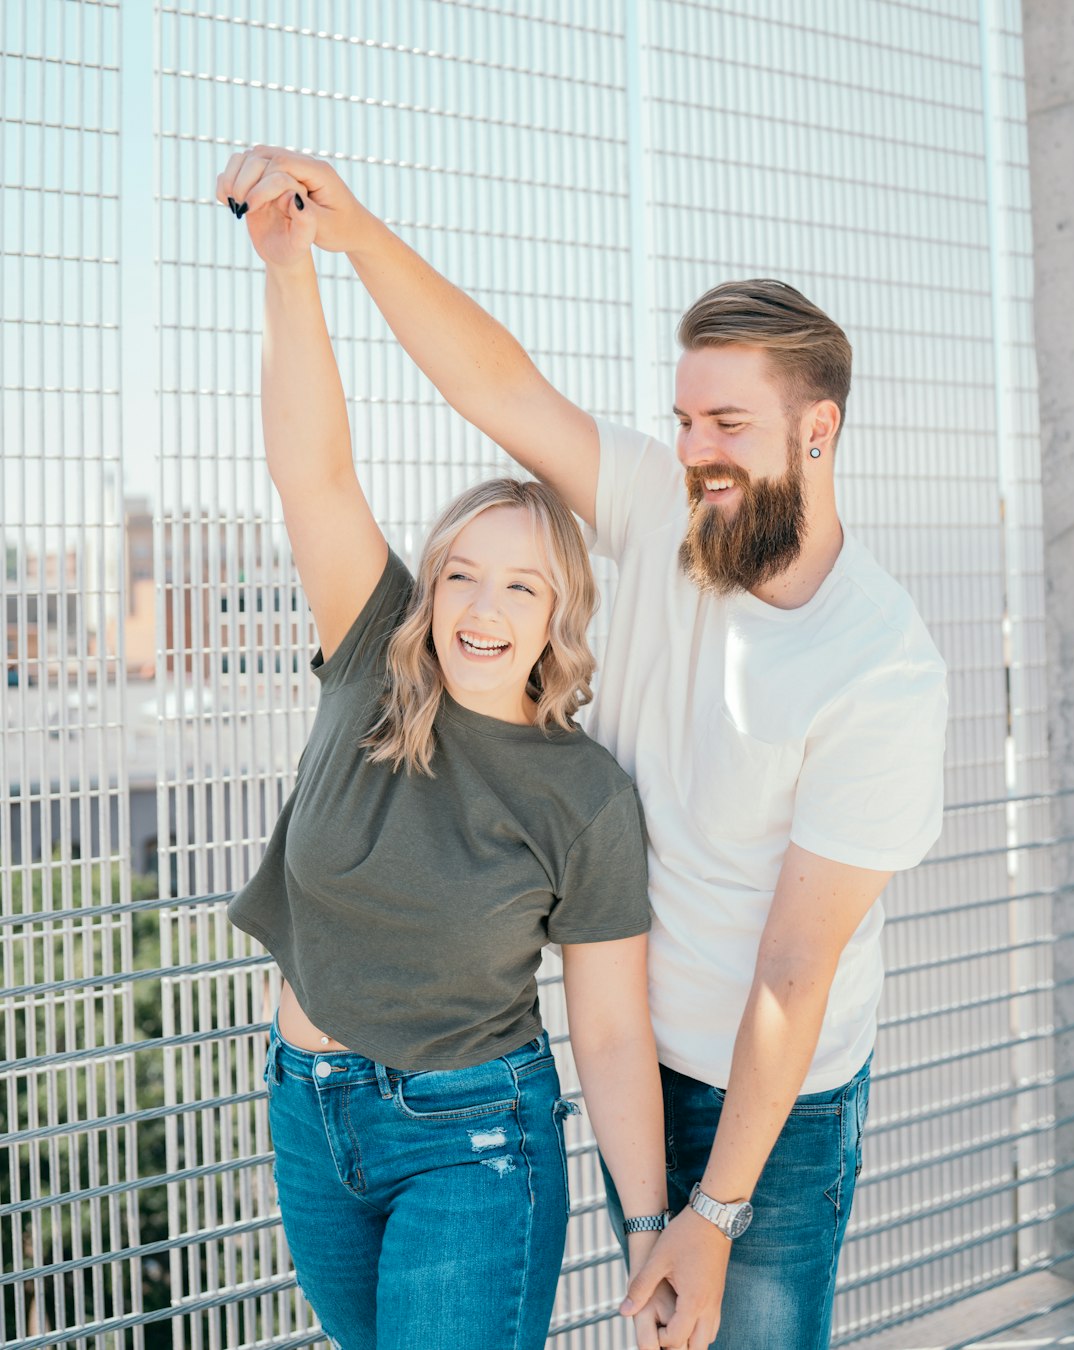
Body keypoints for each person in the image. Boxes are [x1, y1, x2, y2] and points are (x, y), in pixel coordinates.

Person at [220, 146, 948, 1350]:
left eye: (728, 422)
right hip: (631, 1064)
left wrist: (712, 1212)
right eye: (682, 418)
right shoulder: (671, 510)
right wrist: (344, 240)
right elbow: (501, 392)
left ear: (819, 431)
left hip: (774, 1096)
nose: (695, 448)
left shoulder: (880, 669)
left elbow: (789, 978)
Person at [217, 158, 681, 1350]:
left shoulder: (583, 795)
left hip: (472, 1144)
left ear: (556, 617)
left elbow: (613, 1031)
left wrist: (648, 1229)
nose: (481, 605)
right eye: (461, 572)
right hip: (309, 1116)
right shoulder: (374, 650)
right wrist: (288, 273)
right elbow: (311, 468)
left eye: (520, 584)